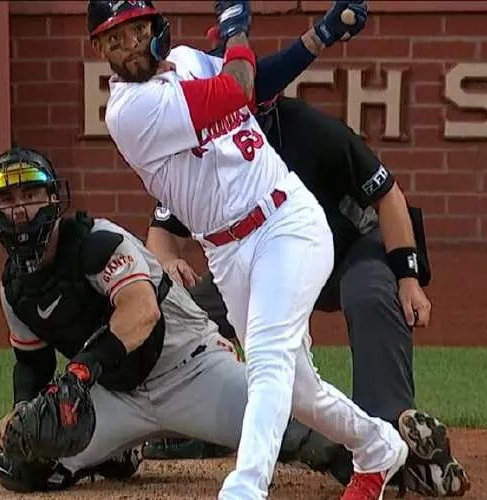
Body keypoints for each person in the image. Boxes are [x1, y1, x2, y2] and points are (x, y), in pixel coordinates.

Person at [94, 0, 411, 498]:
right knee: (300, 393)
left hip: (287, 222)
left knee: (265, 361)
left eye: (134, 31)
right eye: (113, 39)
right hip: (226, 253)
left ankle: (245, 489)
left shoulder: (188, 59)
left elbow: (257, 84)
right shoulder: (128, 111)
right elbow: (235, 88)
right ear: (100, 50)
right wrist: (236, 30)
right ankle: (378, 445)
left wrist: (316, 34)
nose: (128, 45)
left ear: (155, 27)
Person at [0, 145, 369, 494]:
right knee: (22, 462)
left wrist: (79, 373)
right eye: (8, 199)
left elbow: (141, 312)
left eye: (31, 194)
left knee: (294, 430)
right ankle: (119, 452)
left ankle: (389, 453)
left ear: (53, 199)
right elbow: (32, 363)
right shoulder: (15, 290)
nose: (20, 209)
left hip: (190, 369)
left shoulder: (98, 242)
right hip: (116, 394)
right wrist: (21, 410)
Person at [144, 95, 471, 497]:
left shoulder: (309, 127)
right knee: (193, 316)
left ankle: (389, 416)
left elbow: (388, 193)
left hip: (347, 245)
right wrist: (167, 260)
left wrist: (408, 276)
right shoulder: (200, 143)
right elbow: (161, 228)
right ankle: (380, 444)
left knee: (360, 300)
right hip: (258, 258)